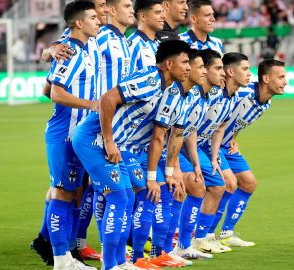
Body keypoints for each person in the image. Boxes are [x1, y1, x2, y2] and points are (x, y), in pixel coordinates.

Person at [71, 39, 193, 270]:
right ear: (168, 63)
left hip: (116, 143)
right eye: (184, 62)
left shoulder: (164, 87)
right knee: (119, 198)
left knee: (127, 197)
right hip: (93, 139)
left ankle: (120, 261)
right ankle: (110, 265)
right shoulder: (149, 79)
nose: (188, 67)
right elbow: (108, 98)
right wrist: (109, 140)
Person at [32, 0, 108, 265]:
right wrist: (92, 104)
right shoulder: (72, 50)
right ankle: (60, 257)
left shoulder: (89, 47)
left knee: (75, 192)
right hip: (65, 131)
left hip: (81, 134)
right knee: (63, 192)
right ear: (79, 23)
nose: (99, 18)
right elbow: (54, 92)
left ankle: (62, 251)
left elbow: (47, 88)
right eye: (93, 16)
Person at [123, 49, 206, 269]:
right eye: (199, 66)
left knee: (167, 195)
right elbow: (159, 135)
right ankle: (136, 258)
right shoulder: (171, 92)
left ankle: (160, 253)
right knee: (150, 195)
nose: (202, 71)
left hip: (145, 151)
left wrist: (171, 172)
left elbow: (177, 136)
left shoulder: (188, 95)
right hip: (129, 148)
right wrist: (159, 174)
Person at [178, 52, 251, 256]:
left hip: (202, 147)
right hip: (182, 146)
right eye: (217, 69)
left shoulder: (231, 97)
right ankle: (183, 242)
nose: (248, 74)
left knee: (221, 185)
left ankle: (201, 238)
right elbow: (188, 129)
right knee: (194, 186)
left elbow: (219, 129)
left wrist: (213, 157)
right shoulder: (209, 95)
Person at [211, 59, 287, 248]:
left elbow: (237, 122)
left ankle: (226, 233)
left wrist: (234, 138)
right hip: (212, 143)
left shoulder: (265, 103)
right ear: (266, 78)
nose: (285, 82)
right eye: (281, 77)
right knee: (229, 183)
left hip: (227, 145)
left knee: (249, 183)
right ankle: (206, 235)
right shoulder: (241, 93)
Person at [172, 49, 226, 259]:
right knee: (187, 187)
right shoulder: (189, 95)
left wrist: (196, 163)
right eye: (202, 67)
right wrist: (174, 165)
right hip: (165, 149)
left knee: (201, 184)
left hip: (182, 148)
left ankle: (185, 245)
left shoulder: (204, 97)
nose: (204, 72)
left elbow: (191, 130)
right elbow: (170, 132)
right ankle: (172, 246)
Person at [128, 0, 164, 72]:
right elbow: (127, 80)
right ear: (143, 16)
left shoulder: (160, 44)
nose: (163, 16)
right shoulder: (132, 45)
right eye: (157, 12)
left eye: (162, 12)